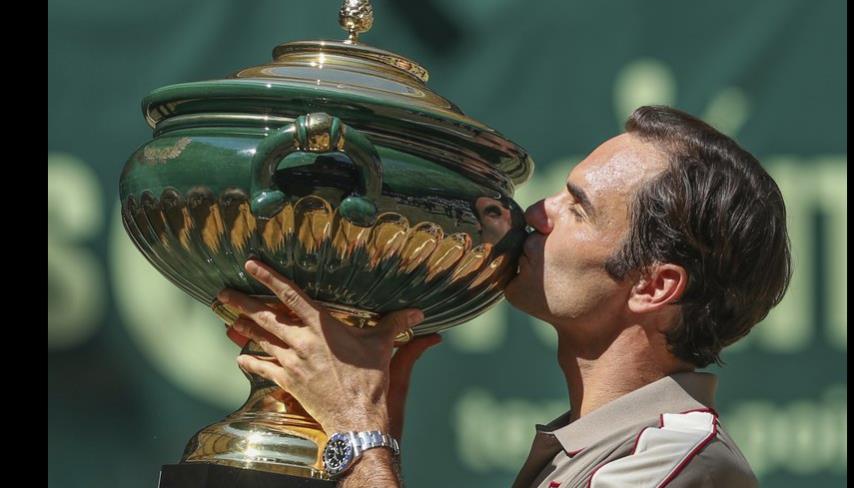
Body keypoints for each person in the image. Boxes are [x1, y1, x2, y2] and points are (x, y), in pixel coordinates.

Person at [217, 105, 792, 487]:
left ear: (654, 285)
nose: (539, 213)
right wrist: (370, 428)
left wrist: (359, 430)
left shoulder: (675, 464)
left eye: (578, 207)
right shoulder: (607, 447)